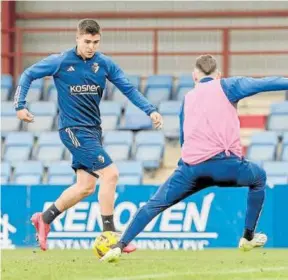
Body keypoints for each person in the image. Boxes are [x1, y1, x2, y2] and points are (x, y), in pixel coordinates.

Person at [101, 54, 288, 262]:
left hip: (191, 169)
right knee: (259, 177)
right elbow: (265, 83)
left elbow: (184, 136)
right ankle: (247, 236)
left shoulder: (188, 98)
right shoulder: (228, 85)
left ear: (194, 76)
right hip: (225, 166)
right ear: (218, 75)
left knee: (153, 205)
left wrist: (185, 165)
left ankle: (119, 246)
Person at [14, 19, 163, 252]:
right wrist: (20, 106)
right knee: (111, 174)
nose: (91, 46)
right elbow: (27, 75)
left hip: (93, 131)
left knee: (85, 187)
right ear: (77, 38)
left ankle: (44, 218)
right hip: (72, 130)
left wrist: (150, 110)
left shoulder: (103, 64)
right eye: (87, 41)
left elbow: (129, 89)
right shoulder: (61, 61)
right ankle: (111, 235)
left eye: (95, 42)